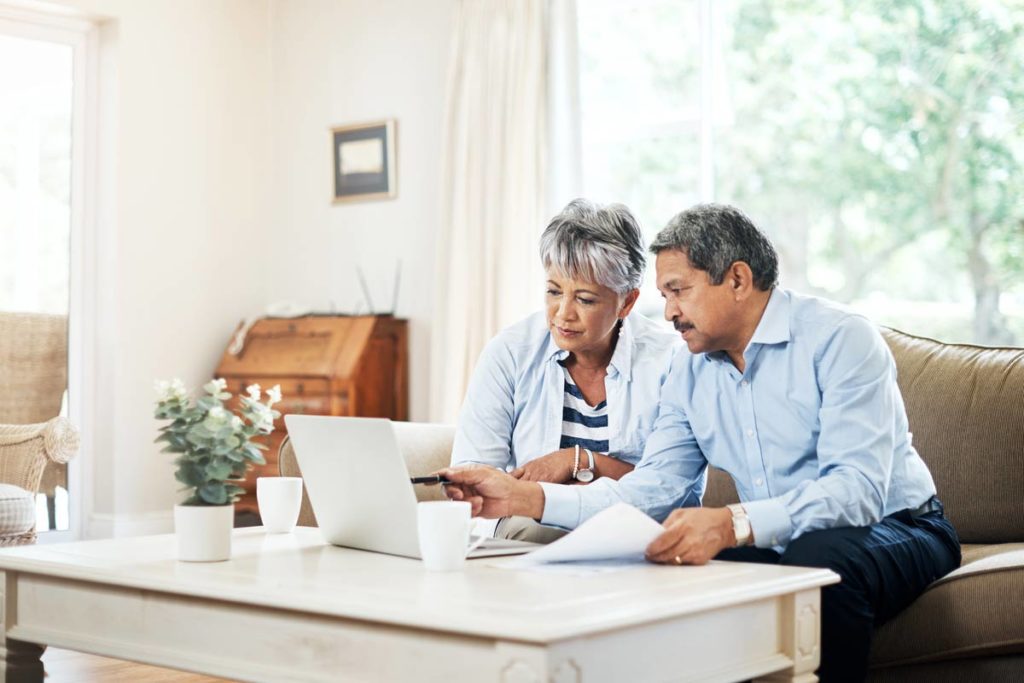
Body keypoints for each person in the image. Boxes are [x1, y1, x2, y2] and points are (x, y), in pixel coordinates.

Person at [441, 204, 961, 681]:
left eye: (678, 291)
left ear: (737, 279)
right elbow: (654, 490)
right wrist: (524, 498)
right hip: (783, 537)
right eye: (665, 296)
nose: (667, 313)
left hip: (898, 524)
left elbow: (858, 491)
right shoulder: (688, 370)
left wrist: (734, 522)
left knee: (817, 562)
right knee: (690, 578)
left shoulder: (840, 339)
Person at [450, 199, 681, 543]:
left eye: (585, 299)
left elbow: (673, 492)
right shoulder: (510, 353)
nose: (563, 314)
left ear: (627, 302)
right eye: (553, 291)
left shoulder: (669, 362)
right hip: (529, 532)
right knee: (536, 532)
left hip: (630, 533)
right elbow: (473, 478)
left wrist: (579, 461)